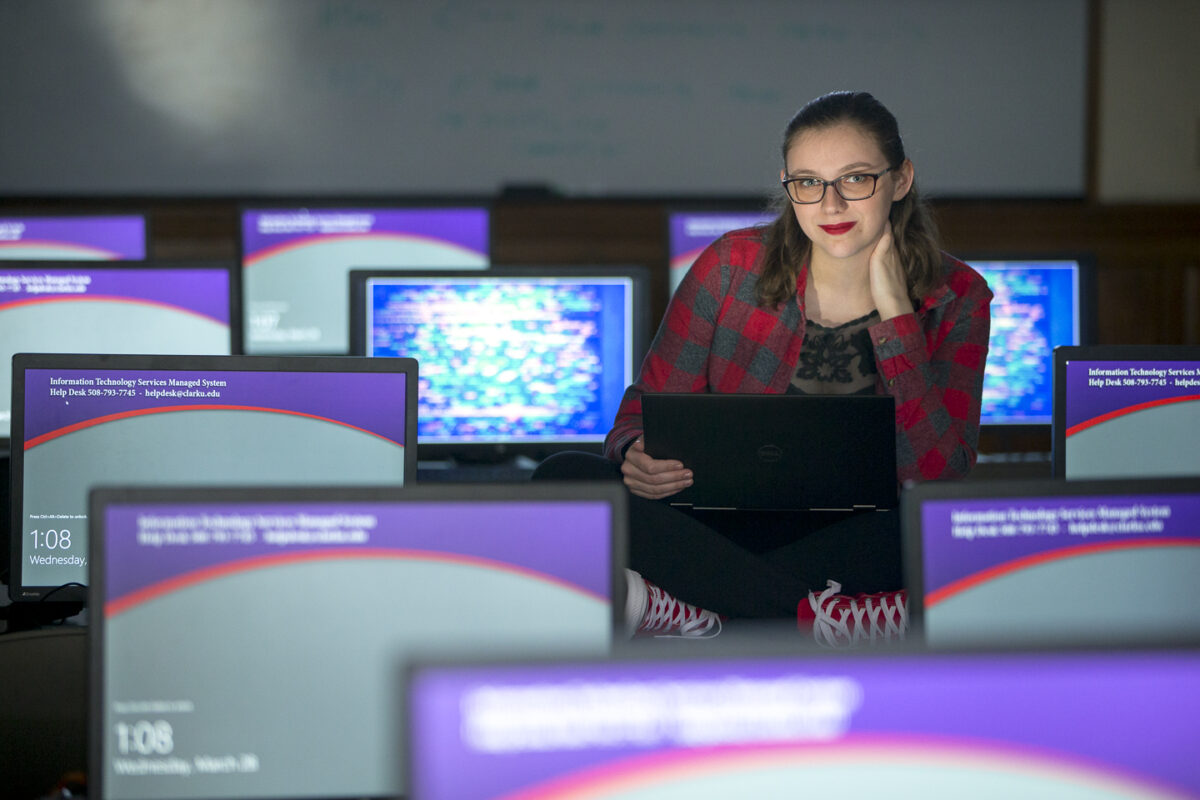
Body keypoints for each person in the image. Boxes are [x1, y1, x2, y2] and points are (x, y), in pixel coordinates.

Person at [535, 90, 992, 643]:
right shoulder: (730, 266)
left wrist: (897, 318)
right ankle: (821, 617)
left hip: (857, 535)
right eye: (808, 182)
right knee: (563, 476)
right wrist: (635, 453)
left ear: (900, 180)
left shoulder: (959, 295)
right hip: (717, 523)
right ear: (788, 186)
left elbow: (940, 479)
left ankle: (695, 611)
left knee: (936, 530)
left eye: (855, 179)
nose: (830, 205)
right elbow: (635, 417)